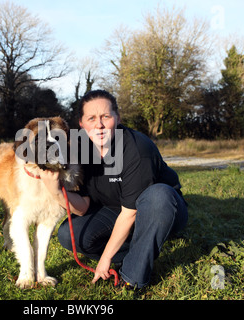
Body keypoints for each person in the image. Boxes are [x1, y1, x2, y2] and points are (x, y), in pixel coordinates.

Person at [39, 89, 188, 289]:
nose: (99, 125)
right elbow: (83, 207)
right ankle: (133, 251)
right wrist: (56, 191)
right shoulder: (78, 148)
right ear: (81, 124)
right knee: (68, 234)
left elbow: (130, 212)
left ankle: (132, 275)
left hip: (157, 210)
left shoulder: (137, 149)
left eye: (105, 117)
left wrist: (105, 257)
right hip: (113, 209)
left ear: (117, 118)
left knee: (159, 196)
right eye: (91, 118)